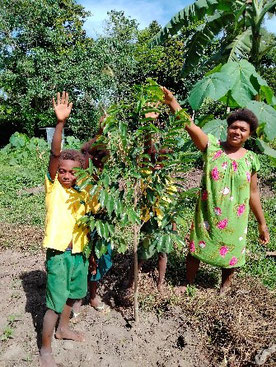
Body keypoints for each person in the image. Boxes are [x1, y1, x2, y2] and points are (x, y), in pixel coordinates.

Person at [161, 87, 270, 295]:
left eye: (243, 129)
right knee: (195, 249)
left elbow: (253, 193)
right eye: (234, 127)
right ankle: (188, 283)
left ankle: (224, 287)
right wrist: (172, 102)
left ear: (249, 134)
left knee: (232, 254)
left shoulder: (250, 159)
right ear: (227, 129)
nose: (237, 132)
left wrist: (262, 224)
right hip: (208, 212)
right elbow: (189, 126)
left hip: (236, 217)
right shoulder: (211, 148)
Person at [40, 91, 93, 367]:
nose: (68, 176)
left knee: (75, 293)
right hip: (59, 253)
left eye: (74, 172)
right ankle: (45, 348)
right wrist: (60, 124)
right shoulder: (54, 188)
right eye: (63, 171)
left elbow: (93, 155)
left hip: (79, 253)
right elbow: (55, 152)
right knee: (54, 302)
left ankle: (63, 329)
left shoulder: (86, 193)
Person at [72, 118, 112, 315]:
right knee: (83, 261)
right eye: (95, 160)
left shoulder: (106, 178)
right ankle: (78, 298)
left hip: (101, 223)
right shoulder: (80, 179)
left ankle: (93, 296)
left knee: (100, 258)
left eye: (102, 161)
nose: (98, 164)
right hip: (83, 225)